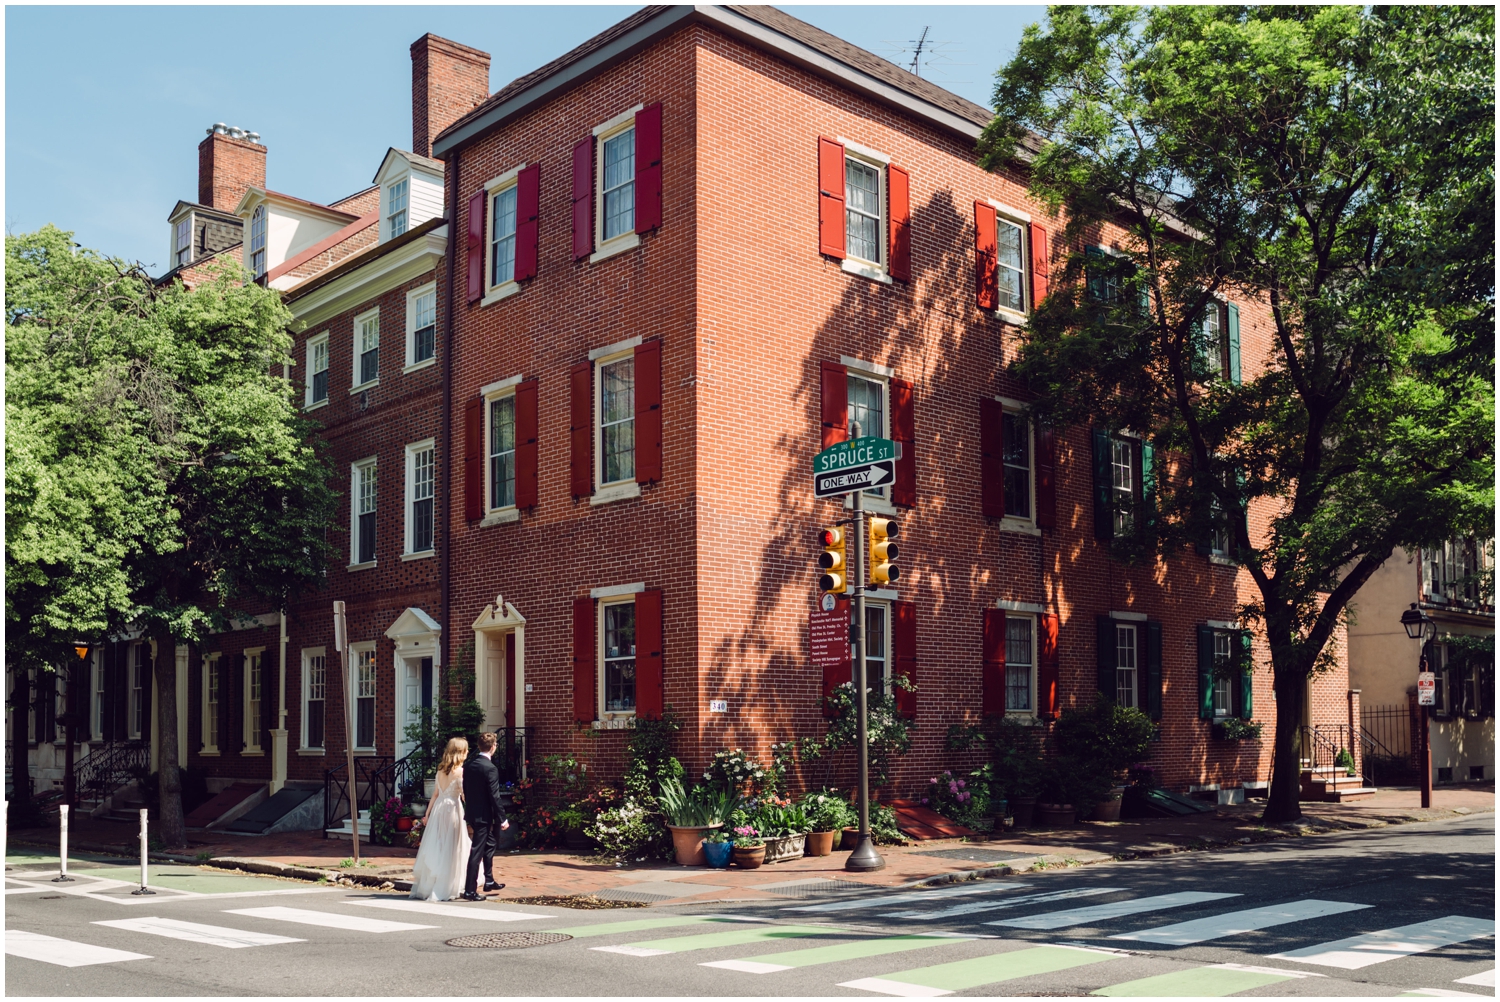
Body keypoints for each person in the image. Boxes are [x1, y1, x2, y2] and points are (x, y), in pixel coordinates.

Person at [409, 737, 472, 901]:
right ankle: (449, 883)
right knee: (453, 844)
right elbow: (464, 796)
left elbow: (435, 795)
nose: (467, 752)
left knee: (439, 843)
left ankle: (434, 881)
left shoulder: (439, 771)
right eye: (466, 750)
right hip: (452, 809)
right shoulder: (460, 772)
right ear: (460, 752)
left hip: (438, 808)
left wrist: (427, 814)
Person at [461, 731, 510, 901]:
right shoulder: (490, 768)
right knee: (477, 851)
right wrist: (502, 818)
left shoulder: (469, 765)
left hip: (472, 812)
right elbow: (494, 795)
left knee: (490, 844)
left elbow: (466, 790)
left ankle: (488, 880)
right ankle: (470, 890)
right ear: (493, 747)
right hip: (483, 816)